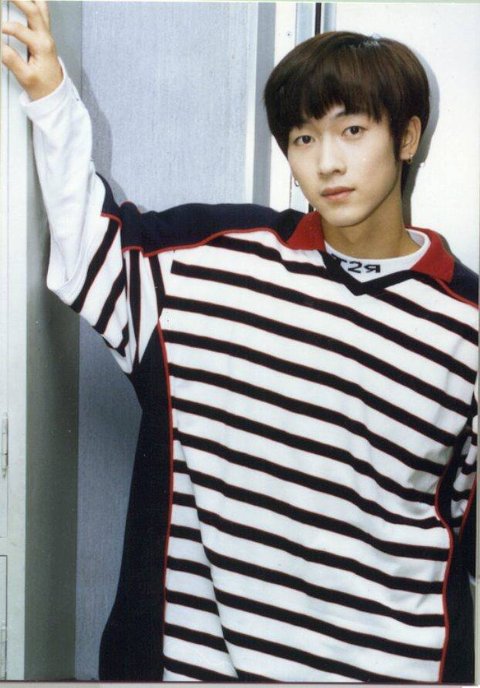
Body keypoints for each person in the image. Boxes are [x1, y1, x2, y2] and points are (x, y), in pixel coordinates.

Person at [2, 1, 477, 683]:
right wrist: (51, 99)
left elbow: (459, 529)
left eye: (352, 129)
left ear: (407, 137)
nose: (328, 162)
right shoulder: (212, 264)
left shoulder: (466, 324)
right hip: (199, 666)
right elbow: (89, 250)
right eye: (304, 138)